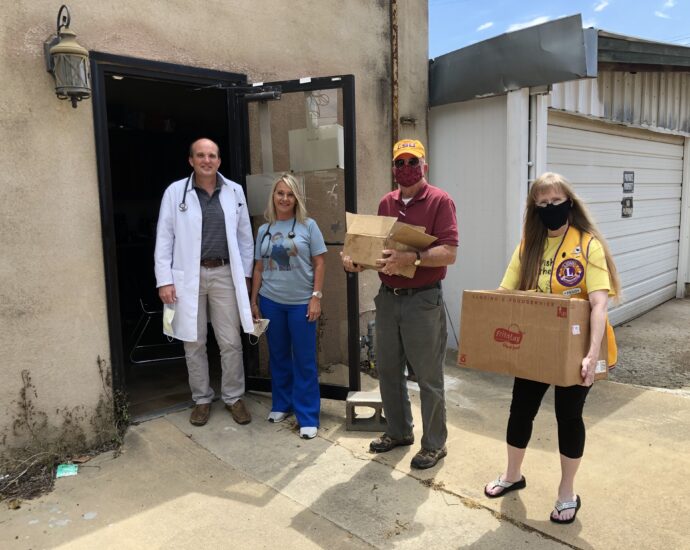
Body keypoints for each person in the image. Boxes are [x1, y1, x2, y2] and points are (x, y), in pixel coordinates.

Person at [483, 172, 621, 525]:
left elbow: (599, 305)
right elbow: (506, 293)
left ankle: (567, 492)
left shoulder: (587, 245)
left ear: (569, 203)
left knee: (568, 416)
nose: (550, 208)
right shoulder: (529, 245)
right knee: (520, 410)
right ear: (534, 208)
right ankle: (512, 474)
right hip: (538, 344)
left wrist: (591, 354)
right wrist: (487, 327)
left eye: (556, 202)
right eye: (542, 203)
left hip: (577, 346)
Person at [342, 139, 458, 469]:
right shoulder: (386, 202)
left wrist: (413, 258)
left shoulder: (440, 201)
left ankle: (434, 444)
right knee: (388, 370)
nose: (406, 168)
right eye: (399, 163)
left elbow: (449, 252)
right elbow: (380, 252)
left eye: (412, 162)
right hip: (389, 298)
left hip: (423, 300)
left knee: (427, 377)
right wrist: (357, 262)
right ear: (393, 168)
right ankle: (398, 431)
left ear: (424, 165)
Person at [154, 138, 254, 427]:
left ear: (219, 161)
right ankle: (201, 399)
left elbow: (245, 238)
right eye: (200, 155)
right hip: (188, 276)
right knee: (193, 341)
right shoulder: (175, 192)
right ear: (191, 160)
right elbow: (164, 238)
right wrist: (164, 280)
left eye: (212, 156)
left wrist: (245, 277)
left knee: (230, 340)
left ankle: (234, 397)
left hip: (225, 273)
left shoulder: (234, 191)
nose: (206, 160)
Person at [250, 173, 327, 440]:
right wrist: (253, 301)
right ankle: (282, 404)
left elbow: (320, 263)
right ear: (273, 196)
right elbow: (258, 268)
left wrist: (316, 297)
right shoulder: (264, 230)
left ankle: (308, 415)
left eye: (290, 194)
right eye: (280, 193)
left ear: (296, 198)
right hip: (271, 301)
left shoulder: (308, 226)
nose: (284, 198)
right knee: (278, 355)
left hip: (301, 304)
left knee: (304, 360)